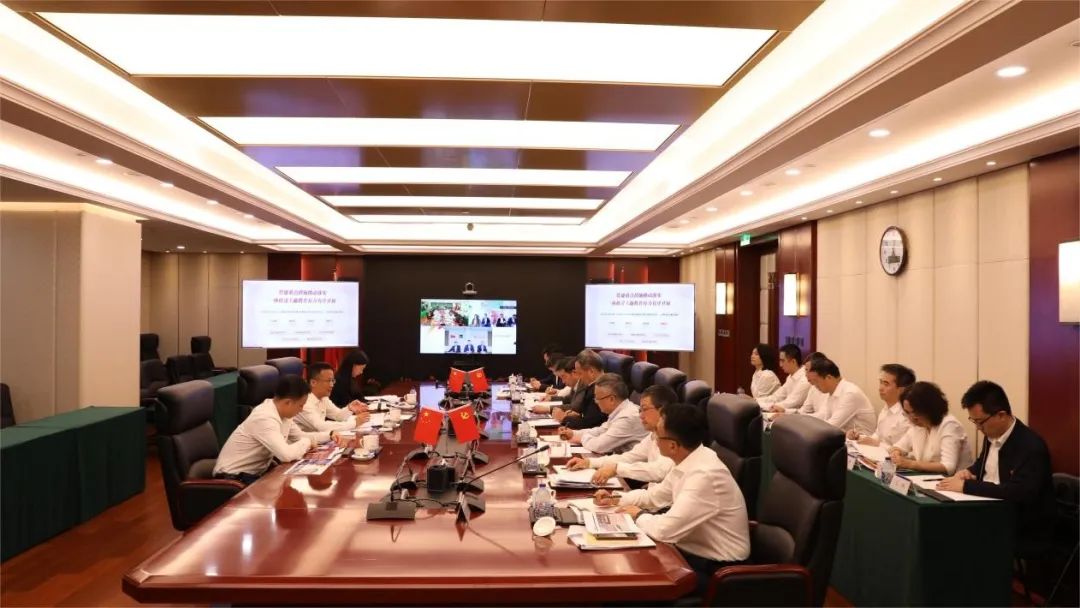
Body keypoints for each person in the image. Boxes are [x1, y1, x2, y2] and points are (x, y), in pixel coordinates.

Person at [594, 404, 750, 596]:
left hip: (717, 573)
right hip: (689, 555)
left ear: (673, 446)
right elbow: (654, 497)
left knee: (628, 587)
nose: (654, 439)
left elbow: (665, 530)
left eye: (657, 435)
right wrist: (616, 499)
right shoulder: (689, 459)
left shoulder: (705, 475)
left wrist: (639, 515)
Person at [937, 381, 1055, 555]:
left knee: (957, 535)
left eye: (980, 422)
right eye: (974, 421)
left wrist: (967, 486)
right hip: (990, 511)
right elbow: (982, 464)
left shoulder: (1031, 447)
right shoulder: (992, 434)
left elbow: (1019, 492)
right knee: (943, 524)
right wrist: (969, 472)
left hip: (1021, 523)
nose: (978, 428)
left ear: (1001, 415)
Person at [214, 375, 352, 484]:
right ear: (288, 402)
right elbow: (286, 455)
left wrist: (330, 434)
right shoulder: (265, 417)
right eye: (300, 405)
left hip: (255, 475)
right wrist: (307, 443)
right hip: (233, 479)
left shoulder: (284, 414)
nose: (301, 410)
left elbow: (300, 436)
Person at [566, 384, 678, 484]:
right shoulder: (653, 434)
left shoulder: (675, 438)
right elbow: (629, 457)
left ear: (662, 411)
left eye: (645, 409)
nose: (641, 416)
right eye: (640, 410)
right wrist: (589, 462)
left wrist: (617, 469)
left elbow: (658, 471)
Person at [886, 381, 973, 475]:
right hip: (926, 478)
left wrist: (910, 464)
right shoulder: (917, 425)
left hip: (952, 480)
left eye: (915, 412)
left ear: (929, 409)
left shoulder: (949, 425)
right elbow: (898, 447)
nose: (911, 418)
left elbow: (948, 466)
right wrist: (896, 453)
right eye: (907, 413)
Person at [559, 373, 648, 454]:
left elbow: (599, 446)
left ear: (611, 399)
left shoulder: (627, 418)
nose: (596, 402)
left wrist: (580, 438)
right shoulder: (620, 410)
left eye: (598, 398)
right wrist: (573, 433)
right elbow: (600, 431)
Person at [804, 357, 875, 434]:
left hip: (861, 439)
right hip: (844, 436)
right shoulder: (832, 392)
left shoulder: (850, 393)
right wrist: (802, 419)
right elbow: (824, 416)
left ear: (828, 378)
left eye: (817, 381)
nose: (815, 386)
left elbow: (831, 426)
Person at [849, 363, 914, 447]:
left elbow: (902, 451)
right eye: (880, 382)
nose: (880, 388)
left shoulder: (907, 415)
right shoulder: (886, 409)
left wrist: (877, 444)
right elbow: (877, 436)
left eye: (886, 384)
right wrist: (859, 437)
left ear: (901, 390)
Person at [294, 362, 369, 434]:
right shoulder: (304, 402)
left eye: (333, 380)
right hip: (305, 441)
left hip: (319, 439)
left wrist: (350, 408)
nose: (332, 385)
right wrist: (354, 423)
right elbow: (321, 426)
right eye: (328, 381)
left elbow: (338, 416)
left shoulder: (323, 398)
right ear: (313, 382)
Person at [558, 349, 608, 430]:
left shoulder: (601, 389)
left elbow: (590, 424)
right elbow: (590, 417)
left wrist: (564, 418)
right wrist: (579, 416)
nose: (578, 378)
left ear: (591, 372)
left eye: (579, 373)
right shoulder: (592, 385)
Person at [759, 344, 810, 412]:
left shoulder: (805, 379)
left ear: (793, 361)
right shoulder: (790, 377)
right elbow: (777, 397)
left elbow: (790, 403)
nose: (780, 365)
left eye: (783, 361)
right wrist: (756, 401)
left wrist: (762, 405)